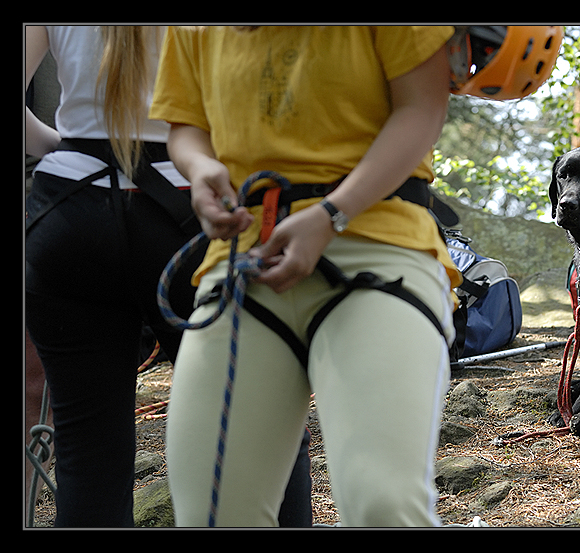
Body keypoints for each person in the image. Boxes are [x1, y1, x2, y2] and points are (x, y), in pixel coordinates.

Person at [149, 25, 460, 527]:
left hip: (378, 249)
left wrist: (332, 215)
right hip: (245, 263)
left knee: (382, 506)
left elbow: (422, 108)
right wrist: (201, 166)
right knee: (214, 515)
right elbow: (185, 126)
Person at [25, 25, 311, 527]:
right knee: (264, 432)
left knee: (87, 448)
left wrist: (60, 150)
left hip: (70, 212)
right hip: (196, 213)